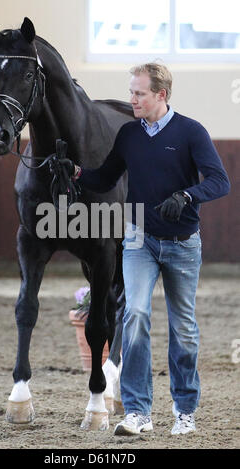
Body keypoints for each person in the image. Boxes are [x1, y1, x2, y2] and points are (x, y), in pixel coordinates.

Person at [56, 63, 230, 435]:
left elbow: (220, 181)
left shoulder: (190, 132)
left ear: (161, 95)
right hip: (138, 239)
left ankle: (185, 410)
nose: (131, 98)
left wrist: (187, 195)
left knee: (183, 327)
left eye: (139, 93)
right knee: (134, 314)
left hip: (182, 244)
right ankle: (138, 412)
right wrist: (76, 172)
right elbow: (106, 177)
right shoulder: (129, 135)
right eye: (131, 91)